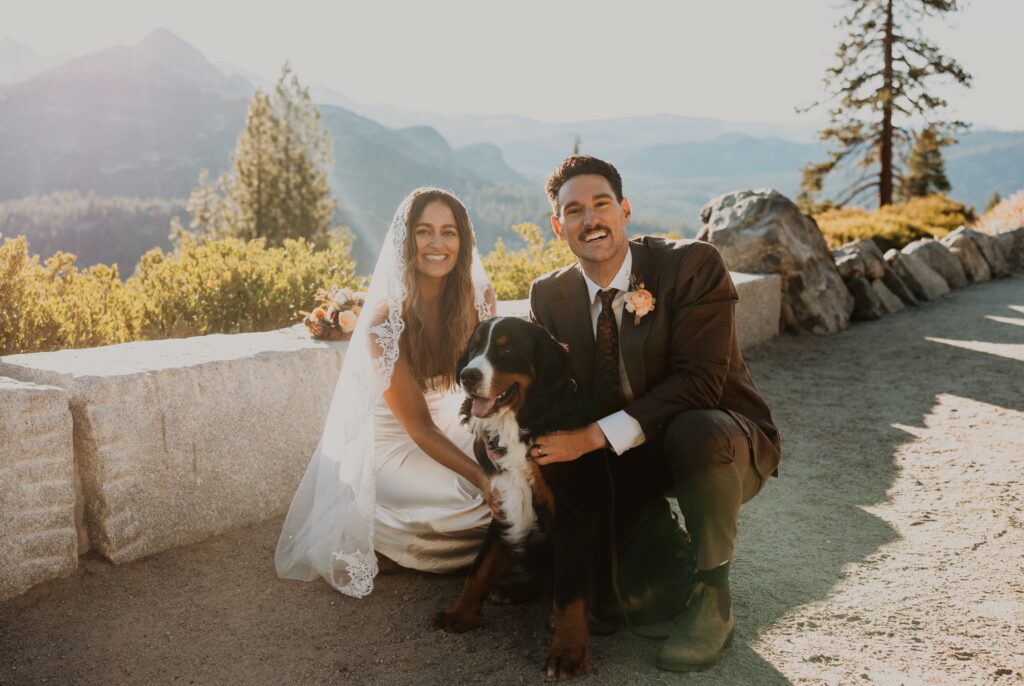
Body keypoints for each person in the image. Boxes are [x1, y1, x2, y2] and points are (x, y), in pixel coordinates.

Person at [527, 156, 782, 671]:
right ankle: (654, 550)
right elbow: (545, 392)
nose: (590, 219)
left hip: (718, 441)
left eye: (602, 204)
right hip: (625, 456)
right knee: (629, 607)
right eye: (573, 211)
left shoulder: (693, 264)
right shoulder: (549, 295)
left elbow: (701, 383)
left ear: (624, 209)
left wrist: (592, 438)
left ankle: (715, 599)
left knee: (695, 430)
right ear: (559, 227)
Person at [276, 187, 498, 597]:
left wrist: (497, 448)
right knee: (474, 496)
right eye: (424, 231)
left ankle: (420, 547)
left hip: (453, 419)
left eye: (449, 233)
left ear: (463, 242)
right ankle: (387, 540)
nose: (437, 244)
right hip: (397, 441)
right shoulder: (384, 321)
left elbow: (487, 387)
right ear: (406, 239)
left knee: (515, 472)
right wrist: (483, 478)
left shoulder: (478, 297)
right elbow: (418, 426)